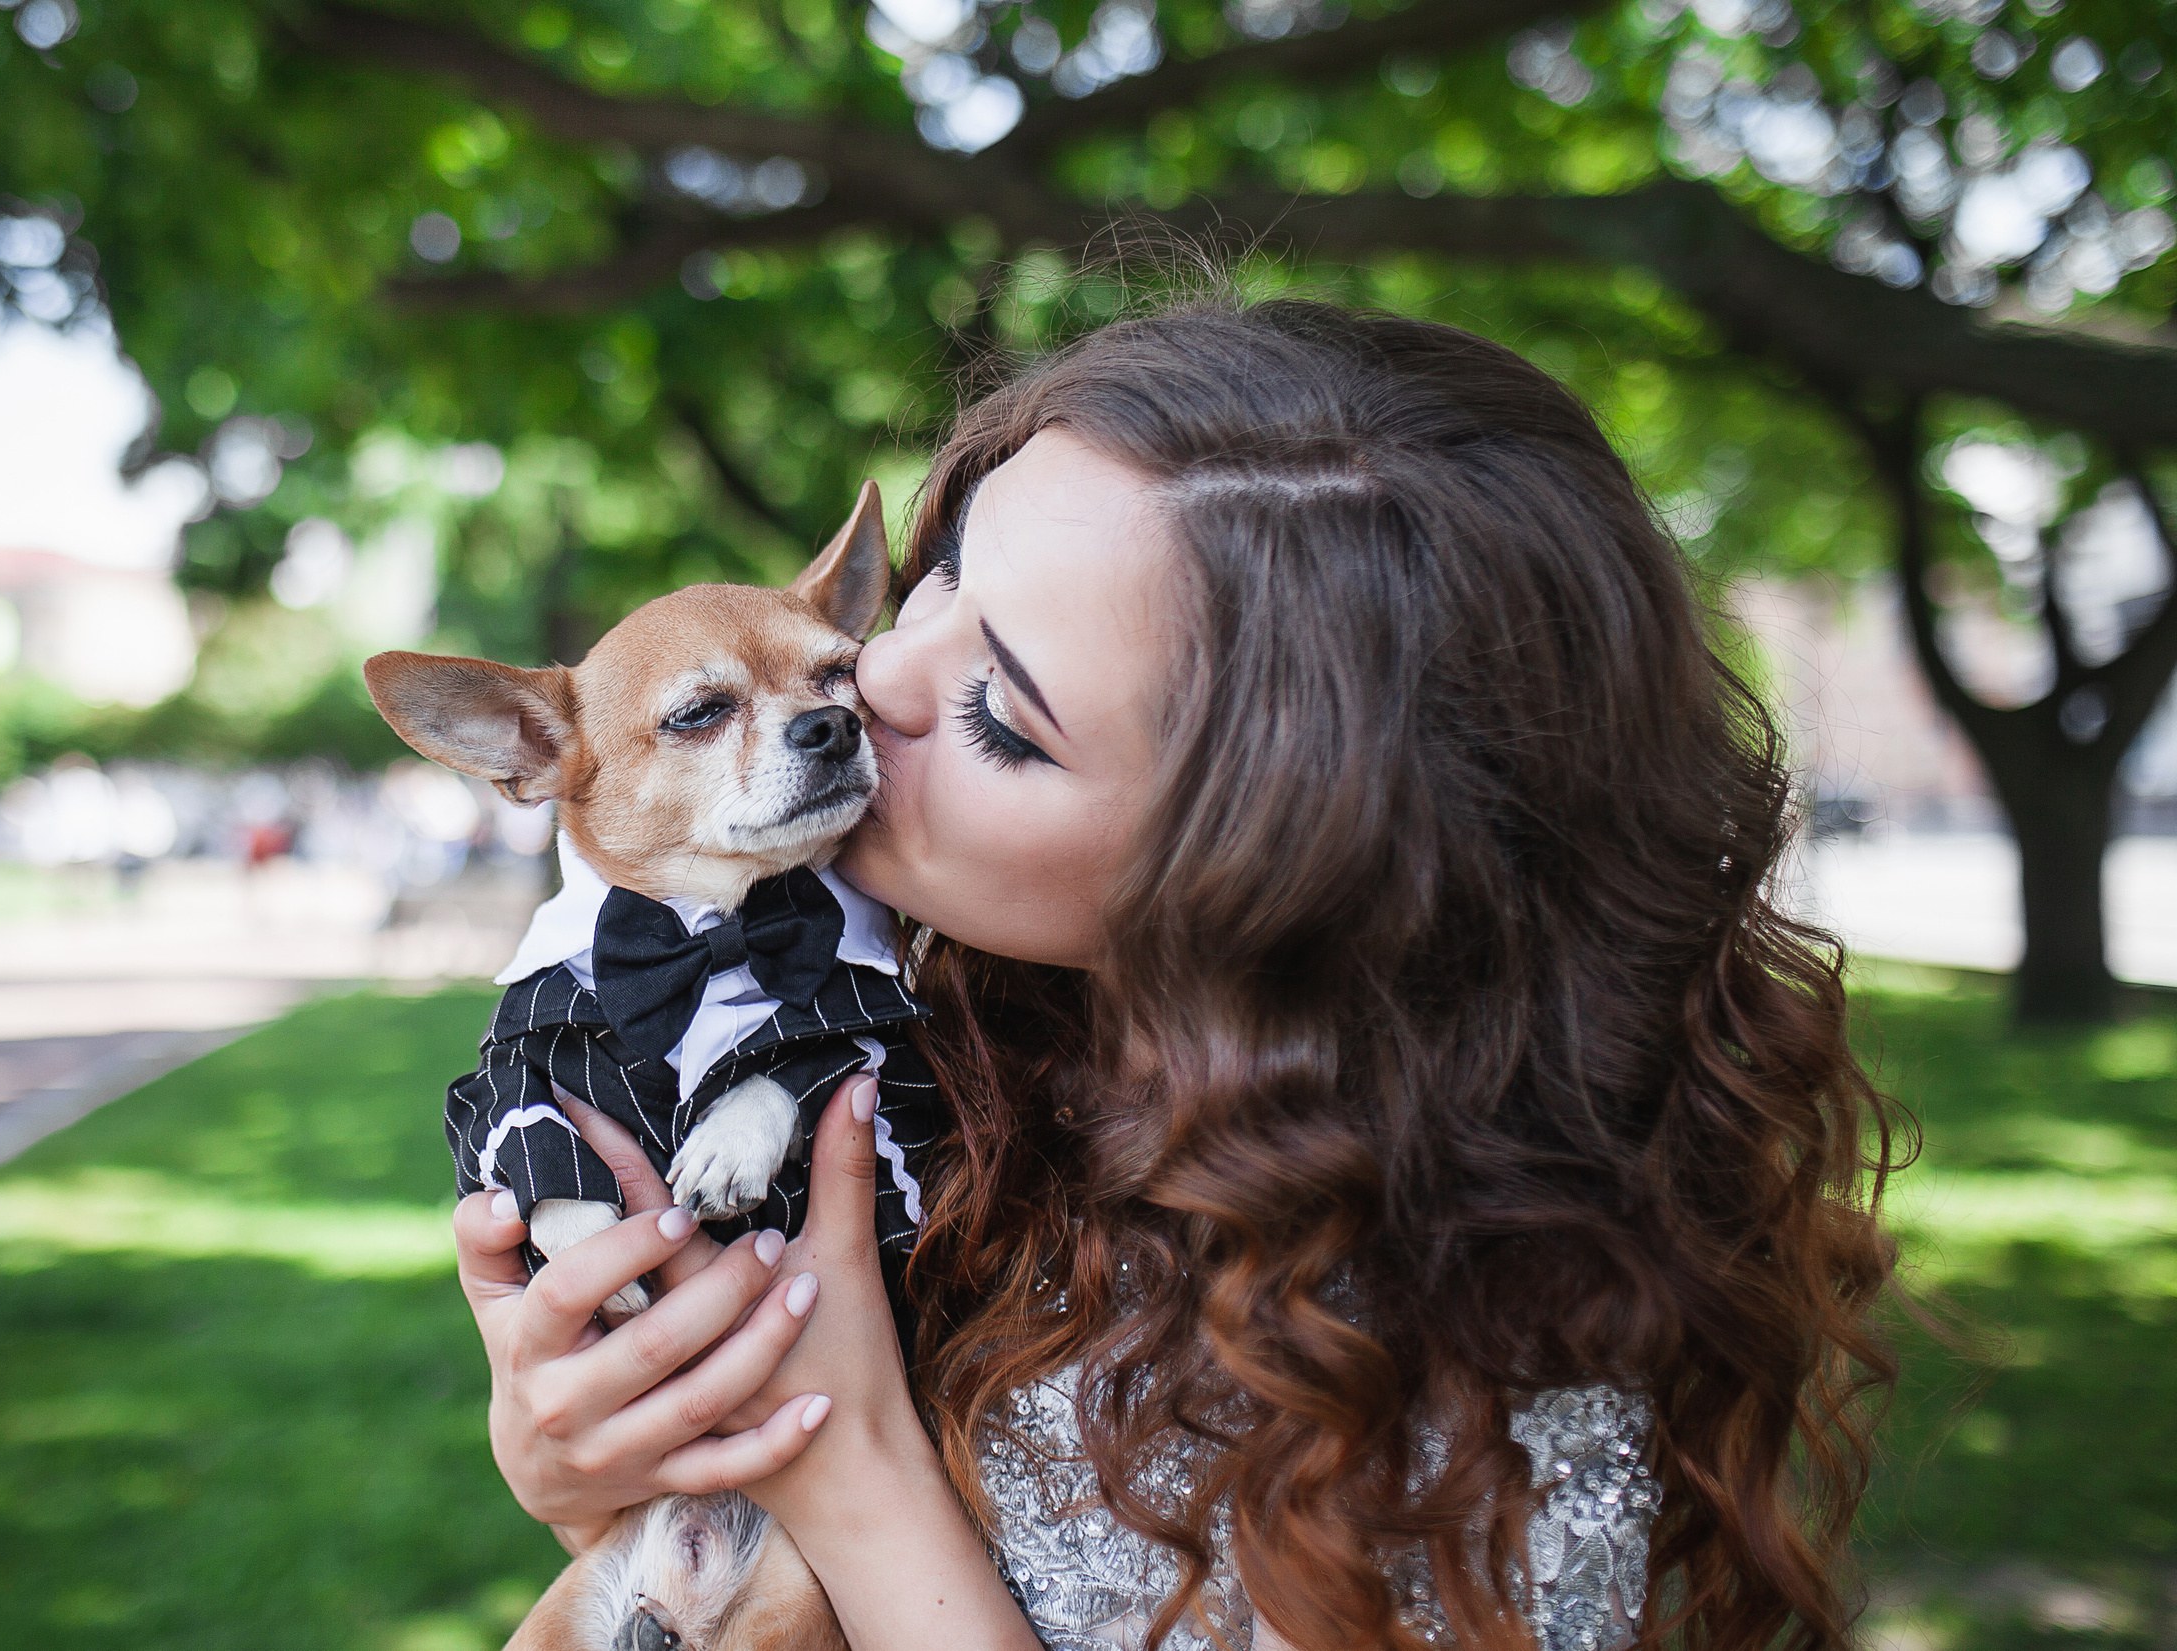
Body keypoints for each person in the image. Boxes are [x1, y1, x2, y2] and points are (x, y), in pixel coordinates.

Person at [446, 297, 1902, 1651]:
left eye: (1002, 711)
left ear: (1272, 871)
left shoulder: (1469, 1367)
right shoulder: (964, 1029)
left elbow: (851, 1492)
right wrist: (594, 1460)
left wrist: (850, 1464)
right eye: (942, 573)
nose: (869, 675)